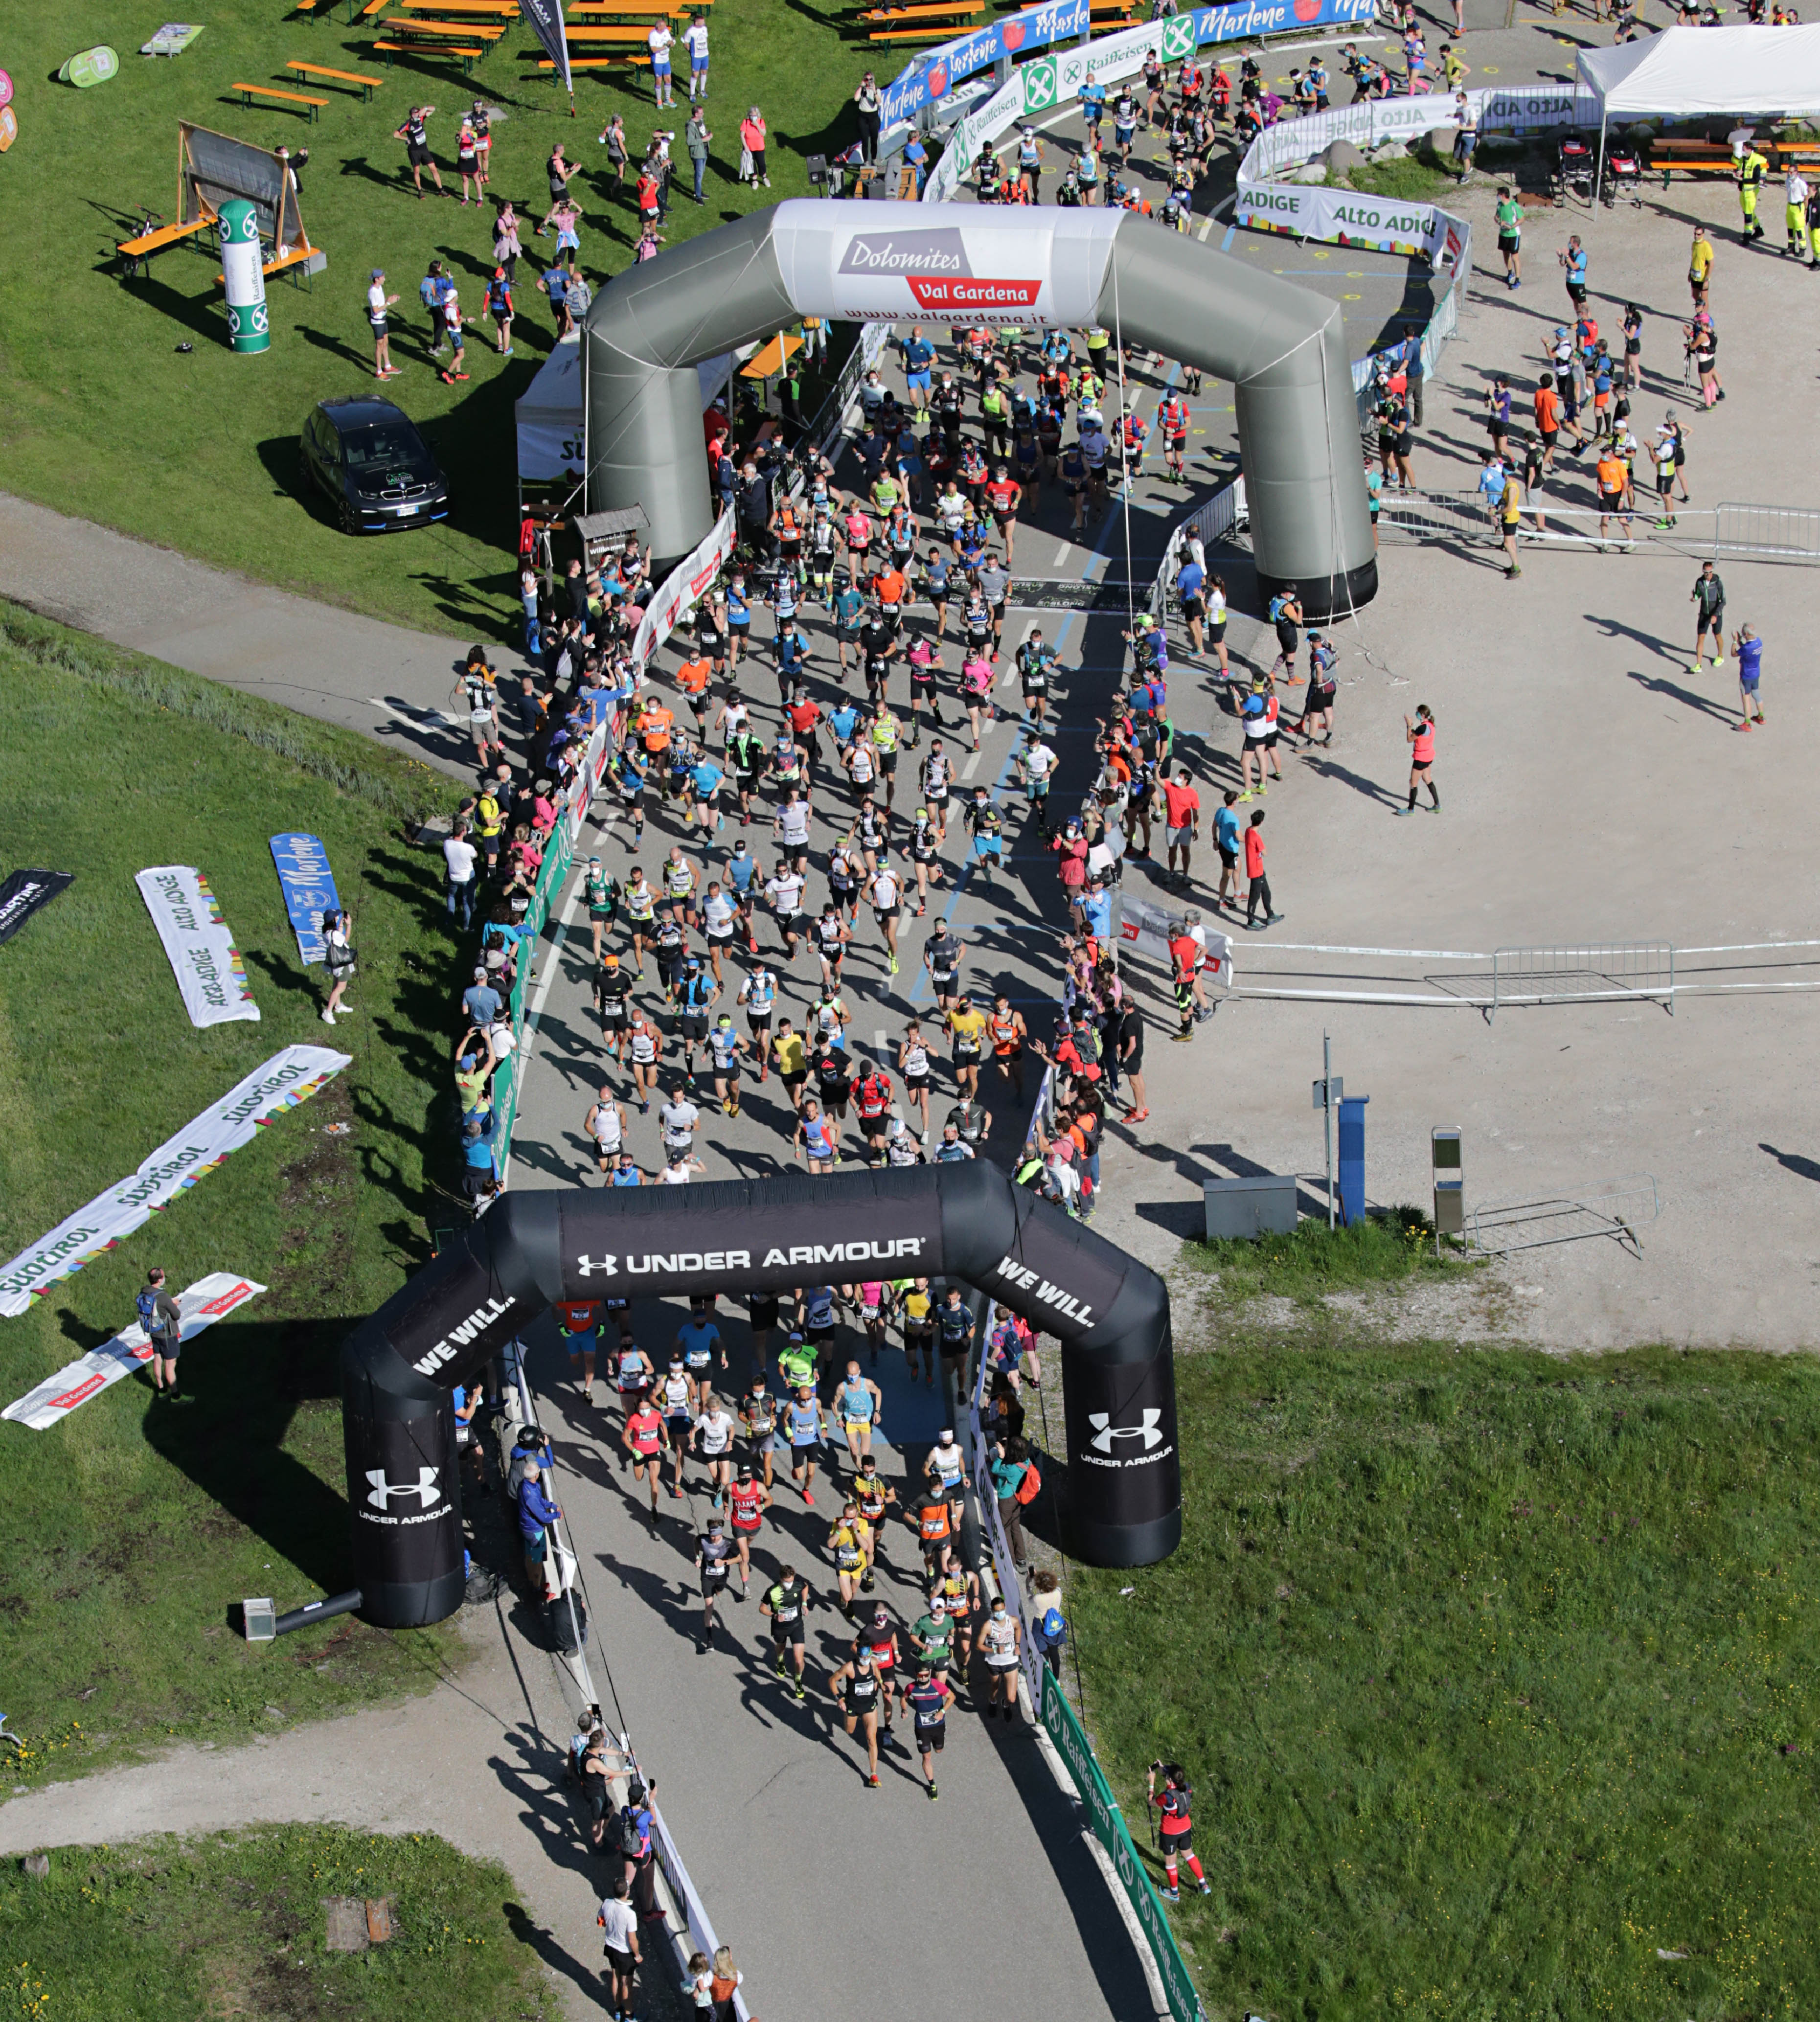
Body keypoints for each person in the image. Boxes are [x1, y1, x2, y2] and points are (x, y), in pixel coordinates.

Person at [1149, 1761, 1213, 1901]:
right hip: (1185, 1828)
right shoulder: (1187, 1787)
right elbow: (1172, 1774)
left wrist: (1151, 1783)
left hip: (1170, 1832)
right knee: (1189, 1855)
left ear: (1170, 1779)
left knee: (1171, 1862)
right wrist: (1162, 1767)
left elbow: (1151, 1802)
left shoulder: (1166, 1796)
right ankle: (1204, 1885)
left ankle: (1174, 1893)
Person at [829, 1647, 884, 1786]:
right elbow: (832, 1680)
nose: (865, 1660)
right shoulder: (849, 1667)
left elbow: (877, 1672)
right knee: (850, 1731)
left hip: (869, 1707)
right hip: (852, 1707)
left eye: (867, 1658)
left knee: (872, 1739)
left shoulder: (873, 1663)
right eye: (863, 1658)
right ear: (858, 1655)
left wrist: (881, 1683)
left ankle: (874, 1775)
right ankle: (855, 1720)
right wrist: (839, 1700)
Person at [759, 1563, 811, 1698]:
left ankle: (798, 1680)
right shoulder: (772, 1591)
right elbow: (762, 1608)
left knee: (799, 1661)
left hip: (796, 1626)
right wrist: (774, 1615)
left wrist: (804, 1604)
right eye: (788, 1582)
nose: (790, 1584)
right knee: (780, 1648)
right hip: (780, 1627)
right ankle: (780, 1660)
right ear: (781, 1579)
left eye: (792, 1581)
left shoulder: (797, 1585)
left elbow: (806, 1587)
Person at [905, 1660, 952, 1797]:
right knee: (927, 1757)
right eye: (921, 1676)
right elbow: (904, 1697)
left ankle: (939, 1740)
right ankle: (932, 1785)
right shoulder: (912, 1687)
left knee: (939, 1750)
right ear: (916, 1675)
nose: (924, 1678)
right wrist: (904, 1709)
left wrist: (942, 1712)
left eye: (926, 1675)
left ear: (930, 1674)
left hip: (938, 1725)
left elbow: (952, 1697)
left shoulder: (938, 1686)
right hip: (922, 1728)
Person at [598, 1873, 641, 2018]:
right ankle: (629, 2016)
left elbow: (600, 1920)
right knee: (626, 1983)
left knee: (616, 1978)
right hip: (625, 1952)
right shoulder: (630, 1914)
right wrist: (637, 1955)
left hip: (610, 1946)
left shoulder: (607, 1903)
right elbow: (632, 1940)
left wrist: (608, 1924)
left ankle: (617, 2011)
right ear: (627, 1893)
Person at [136, 1269, 183, 1397]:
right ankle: (176, 1395)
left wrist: (169, 1303)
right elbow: (177, 1315)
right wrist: (173, 1304)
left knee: (158, 1359)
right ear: (159, 1280)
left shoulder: (144, 1292)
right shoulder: (162, 1296)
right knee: (170, 1363)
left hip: (154, 1333)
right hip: (167, 1334)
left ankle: (162, 1390)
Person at [979, 1588, 1023, 1722]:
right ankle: (993, 1702)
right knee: (995, 1688)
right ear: (993, 1612)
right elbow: (979, 1645)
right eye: (997, 1612)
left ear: (1005, 1608)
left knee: (1012, 1698)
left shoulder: (1013, 1621)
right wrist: (995, 1650)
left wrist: (1017, 1645)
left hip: (1011, 1662)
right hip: (994, 1663)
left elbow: (1018, 1629)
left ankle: (1006, 1704)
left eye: (1002, 1611)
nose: (1000, 1614)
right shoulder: (988, 1626)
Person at [727, 1461, 769, 1594]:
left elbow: (770, 1499)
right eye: (744, 1476)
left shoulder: (759, 1487)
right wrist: (727, 1508)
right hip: (738, 1524)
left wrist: (763, 1506)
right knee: (745, 1557)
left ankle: (738, 1547)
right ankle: (746, 1588)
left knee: (748, 1542)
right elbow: (724, 1494)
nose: (746, 1479)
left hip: (754, 1525)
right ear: (739, 1476)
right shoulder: (731, 1487)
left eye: (749, 1476)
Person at [695, 1514, 733, 1650]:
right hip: (707, 1576)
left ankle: (718, 1590)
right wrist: (698, 1557)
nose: (714, 1539)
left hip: (721, 1578)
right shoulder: (704, 1540)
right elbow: (696, 1542)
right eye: (712, 1536)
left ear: (721, 1534)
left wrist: (724, 1562)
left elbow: (740, 1558)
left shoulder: (728, 1544)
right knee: (709, 1606)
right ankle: (709, 1640)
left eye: (716, 1536)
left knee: (720, 1591)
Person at [394, 105, 444, 199]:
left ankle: (441, 190)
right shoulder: (408, 124)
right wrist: (406, 138)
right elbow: (396, 135)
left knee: (434, 169)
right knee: (417, 171)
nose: (417, 114)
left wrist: (425, 108)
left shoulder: (421, 118)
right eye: (415, 113)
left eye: (418, 113)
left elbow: (433, 109)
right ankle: (420, 191)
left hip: (424, 149)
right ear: (412, 115)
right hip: (414, 151)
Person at [1244, 808, 1279, 931]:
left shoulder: (1248, 831)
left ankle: (1270, 914)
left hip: (1258, 870)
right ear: (1262, 822)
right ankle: (1251, 921)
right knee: (1254, 896)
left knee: (1266, 892)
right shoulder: (1256, 837)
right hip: (1256, 871)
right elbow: (1265, 853)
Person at [1399, 705, 1439, 814]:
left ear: (1422, 715)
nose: (1416, 714)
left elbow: (1410, 739)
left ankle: (1410, 810)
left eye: (1417, 712)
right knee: (1427, 779)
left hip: (1420, 758)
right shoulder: (1431, 725)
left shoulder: (1422, 728)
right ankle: (1437, 805)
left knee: (1413, 783)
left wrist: (1409, 726)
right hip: (1429, 756)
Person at [321, 907, 356, 1023]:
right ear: (333, 919)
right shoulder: (335, 934)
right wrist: (349, 926)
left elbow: (338, 938)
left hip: (335, 962)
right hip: (342, 963)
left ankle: (338, 1005)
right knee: (340, 988)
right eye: (336, 916)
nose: (338, 917)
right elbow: (345, 940)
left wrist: (340, 925)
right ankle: (328, 1012)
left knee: (336, 984)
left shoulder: (327, 933)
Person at [1690, 562, 1726, 673]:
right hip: (1704, 614)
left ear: (1713, 572)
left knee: (1717, 635)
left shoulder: (1717, 583)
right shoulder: (1699, 582)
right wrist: (1695, 598)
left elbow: (1723, 601)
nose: (1708, 575)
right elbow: (1698, 593)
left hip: (1715, 613)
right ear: (1703, 572)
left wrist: (1715, 615)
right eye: (1706, 572)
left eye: (1710, 572)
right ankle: (1698, 665)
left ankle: (1720, 656)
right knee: (1701, 637)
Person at [366, 270, 400, 379]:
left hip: (383, 319)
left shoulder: (379, 288)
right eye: (382, 277)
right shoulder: (373, 292)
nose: (384, 279)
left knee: (386, 342)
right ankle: (379, 371)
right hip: (377, 322)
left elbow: (381, 303)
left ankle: (388, 366)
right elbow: (376, 310)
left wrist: (390, 299)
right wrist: (389, 303)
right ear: (377, 279)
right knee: (380, 345)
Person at [1733, 622, 1765, 730]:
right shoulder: (1759, 642)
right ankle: (1761, 717)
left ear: (1746, 633)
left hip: (1746, 675)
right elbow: (1747, 650)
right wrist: (1740, 643)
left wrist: (1734, 641)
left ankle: (1747, 724)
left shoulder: (1747, 648)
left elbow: (1734, 654)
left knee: (1746, 698)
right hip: (1756, 673)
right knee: (1756, 693)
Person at [685, 104, 711, 203]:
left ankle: (699, 191)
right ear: (696, 114)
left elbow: (702, 134)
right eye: (701, 113)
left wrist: (708, 136)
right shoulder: (690, 126)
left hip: (704, 151)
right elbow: (690, 142)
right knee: (699, 175)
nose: (703, 114)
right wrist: (703, 139)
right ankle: (698, 197)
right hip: (697, 153)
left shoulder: (701, 121)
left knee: (702, 172)